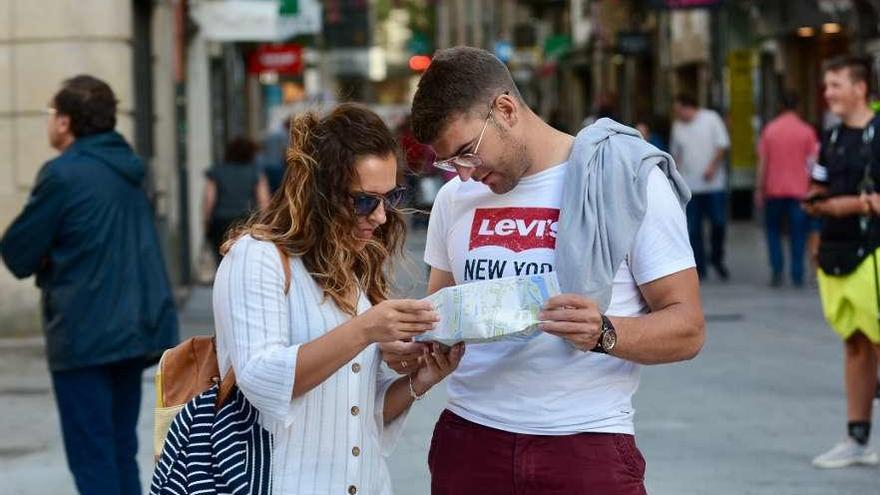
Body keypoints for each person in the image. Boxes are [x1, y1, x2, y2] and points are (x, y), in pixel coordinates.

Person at [382, 46, 705, 494]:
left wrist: (604, 332)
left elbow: (688, 328)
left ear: (506, 109)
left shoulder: (623, 180)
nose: (464, 175)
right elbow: (442, 319)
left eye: (466, 153)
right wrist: (412, 344)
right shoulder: (455, 201)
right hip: (471, 442)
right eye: (450, 163)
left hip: (586, 444)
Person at [212, 103, 464, 494]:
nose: (381, 216)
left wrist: (423, 378)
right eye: (365, 200)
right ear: (320, 193)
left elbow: (362, 414)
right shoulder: (257, 257)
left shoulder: (352, 262)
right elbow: (260, 380)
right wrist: (364, 330)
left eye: (390, 196)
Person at [0, 75, 179, 495]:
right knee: (119, 450)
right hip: (136, 328)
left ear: (64, 122)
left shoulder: (62, 174)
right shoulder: (133, 169)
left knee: (92, 457)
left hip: (85, 332)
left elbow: (18, 252)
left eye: (50, 114)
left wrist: (50, 256)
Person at [804, 56, 880, 469]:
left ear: (860, 87)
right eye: (827, 85)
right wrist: (816, 204)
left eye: (835, 85)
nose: (829, 93)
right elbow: (818, 182)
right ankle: (857, 438)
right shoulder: (830, 138)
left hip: (874, 253)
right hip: (837, 253)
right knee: (854, 343)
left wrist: (849, 204)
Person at [755, 90, 820, 287]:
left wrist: (759, 188)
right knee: (798, 232)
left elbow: (762, 162)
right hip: (800, 191)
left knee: (773, 230)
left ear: (781, 107)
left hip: (773, 190)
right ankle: (797, 273)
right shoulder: (806, 131)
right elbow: (813, 163)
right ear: (797, 107)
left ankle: (777, 270)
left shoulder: (770, 130)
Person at [671, 93, 732, 280]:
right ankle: (700, 267)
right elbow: (676, 153)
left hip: (713, 185)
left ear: (688, 107)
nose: (677, 114)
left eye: (678, 109)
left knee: (718, 223)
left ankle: (716, 257)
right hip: (689, 186)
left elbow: (722, 145)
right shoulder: (678, 127)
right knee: (693, 229)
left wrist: (712, 167)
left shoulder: (711, 119)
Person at [202, 136, 271, 262]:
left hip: (220, 221)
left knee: (222, 259)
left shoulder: (217, 171)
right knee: (244, 259)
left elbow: (209, 199)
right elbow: (264, 201)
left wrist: (206, 222)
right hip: (245, 221)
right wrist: (265, 225)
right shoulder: (255, 172)